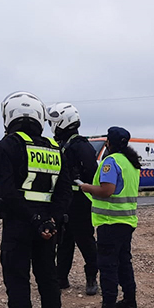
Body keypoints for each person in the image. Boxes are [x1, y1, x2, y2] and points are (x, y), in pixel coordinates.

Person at [0, 91, 72, 308]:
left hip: (19, 226)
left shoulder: (7, 146)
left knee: (18, 282)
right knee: (48, 280)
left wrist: (34, 219)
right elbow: (64, 193)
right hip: (48, 227)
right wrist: (51, 220)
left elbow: (8, 191)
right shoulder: (55, 149)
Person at [79, 126, 141, 308]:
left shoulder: (110, 162)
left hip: (110, 222)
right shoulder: (131, 163)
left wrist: (85, 187)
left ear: (108, 143)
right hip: (126, 221)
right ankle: (130, 301)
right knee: (124, 262)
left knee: (107, 266)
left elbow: (107, 190)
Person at [46, 102, 99, 295]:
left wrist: (78, 179)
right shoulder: (61, 145)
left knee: (85, 240)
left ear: (62, 122)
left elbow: (92, 172)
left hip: (79, 201)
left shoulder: (81, 145)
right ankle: (61, 278)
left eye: (53, 123)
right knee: (63, 241)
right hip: (64, 201)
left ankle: (92, 277)